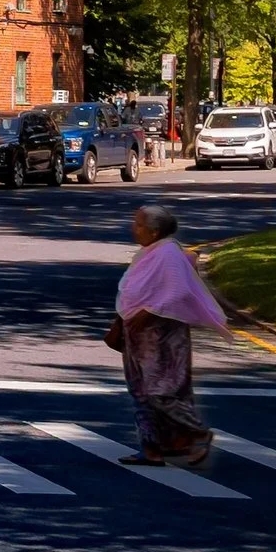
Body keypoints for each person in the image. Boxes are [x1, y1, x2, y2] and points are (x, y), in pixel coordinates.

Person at [104, 199, 228, 466]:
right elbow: (132, 292)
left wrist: (148, 312)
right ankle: (152, 449)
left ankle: (197, 434)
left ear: (155, 231)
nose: (133, 227)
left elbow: (178, 291)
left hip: (161, 336)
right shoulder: (147, 253)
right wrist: (120, 322)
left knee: (161, 391)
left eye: (138, 223)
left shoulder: (168, 254)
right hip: (136, 335)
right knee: (139, 391)